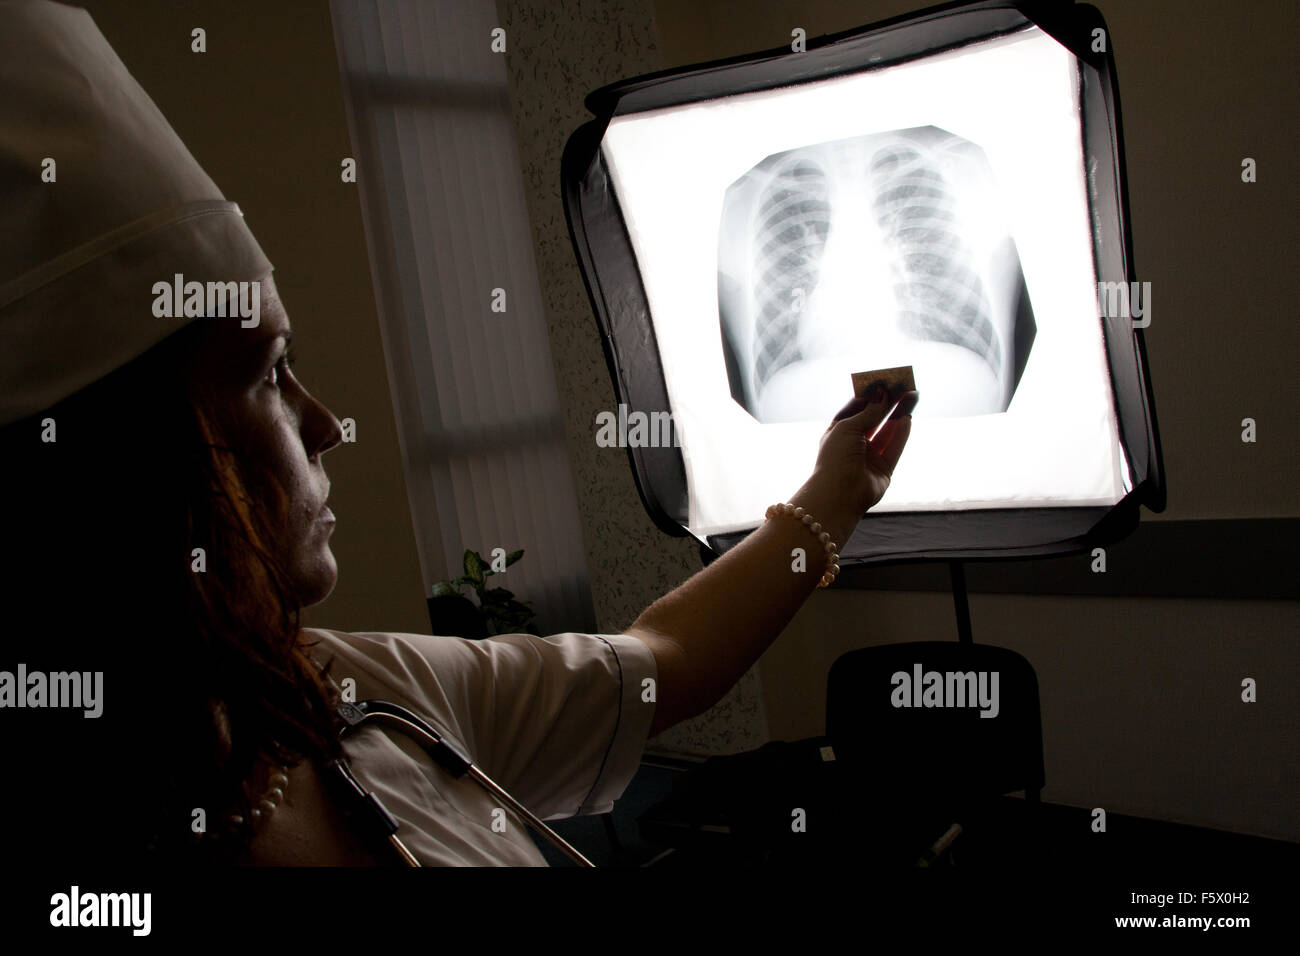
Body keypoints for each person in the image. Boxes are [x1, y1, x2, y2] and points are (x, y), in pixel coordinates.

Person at [0, 0, 914, 867]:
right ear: (128, 468)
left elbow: (664, 664)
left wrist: (839, 490)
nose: (324, 424)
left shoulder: (346, 688)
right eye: (269, 373)